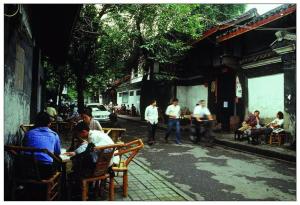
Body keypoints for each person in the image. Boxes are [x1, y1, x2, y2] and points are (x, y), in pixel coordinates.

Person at [23, 112, 61, 179]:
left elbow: (24, 147)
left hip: (27, 169)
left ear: (36, 122)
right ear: (49, 123)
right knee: (58, 163)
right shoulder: (54, 135)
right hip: (45, 171)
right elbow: (57, 152)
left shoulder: (28, 134)